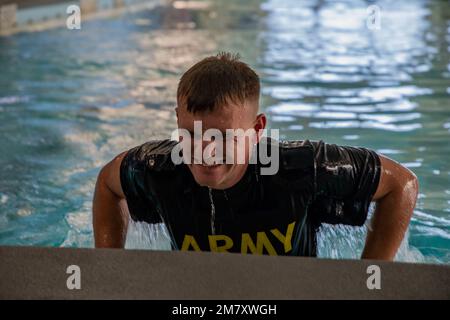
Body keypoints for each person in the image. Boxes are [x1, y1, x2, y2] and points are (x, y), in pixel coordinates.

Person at [93, 52, 418, 260]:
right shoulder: (159, 168)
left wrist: (372, 278)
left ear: (257, 128)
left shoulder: (302, 169)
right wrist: (109, 271)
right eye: (191, 135)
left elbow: (401, 184)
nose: (205, 152)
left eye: (222, 137)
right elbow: (108, 184)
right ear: (177, 121)